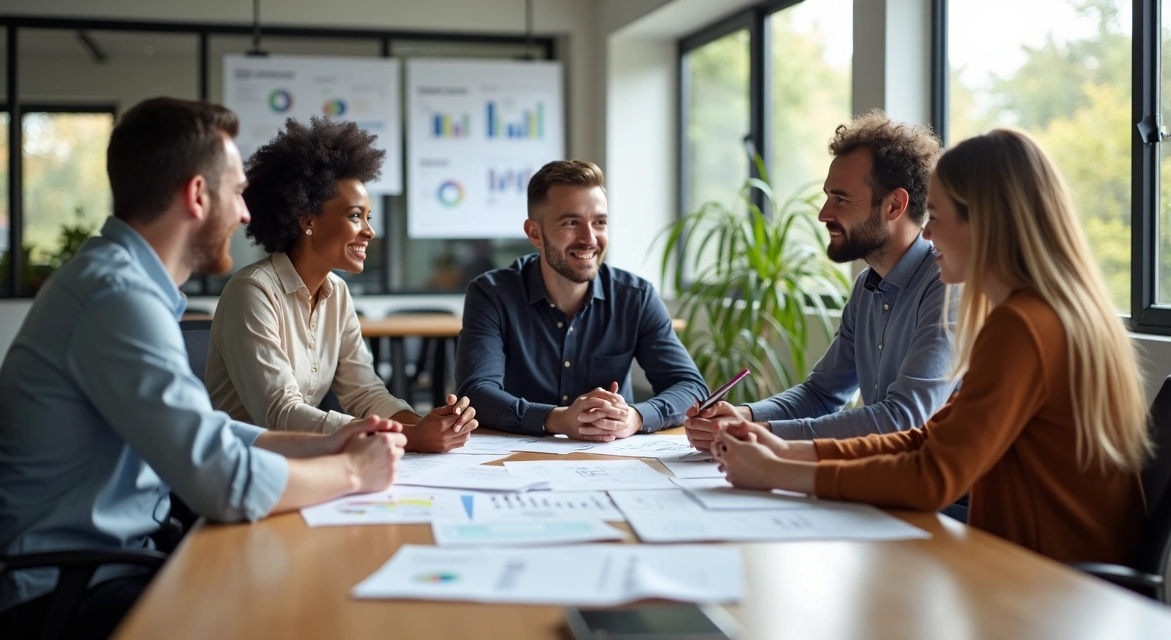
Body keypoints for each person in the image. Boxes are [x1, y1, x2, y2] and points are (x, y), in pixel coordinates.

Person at [0, 98, 407, 639]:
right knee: (303, 613)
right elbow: (221, 481)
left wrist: (328, 443)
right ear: (198, 196)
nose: (247, 214)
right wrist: (353, 472)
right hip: (65, 592)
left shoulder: (123, 286)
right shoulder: (116, 299)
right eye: (236, 193)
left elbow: (209, 433)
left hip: (112, 561)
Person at [710, 128, 1150, 565]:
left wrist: (778, 469)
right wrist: (784, 451)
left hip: (1055, 585)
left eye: (936, 217)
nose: (929, 234)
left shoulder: (1023, 325)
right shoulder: (1040, 313)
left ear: (984, 221)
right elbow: (927, 440)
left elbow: (932, 474)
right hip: (1036, 567)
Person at [685, 111, 957, 450]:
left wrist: (764, 434)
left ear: (894, 205)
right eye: (828, 196)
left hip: (945, 501)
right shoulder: (866, 286)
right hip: (882, 482)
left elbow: (903, 419)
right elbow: (822, 393)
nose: (823, 214)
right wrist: (745, 416)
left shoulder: (948, 285)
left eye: (841, 199)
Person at [205, 117, 477, 453]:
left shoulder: (338, 293)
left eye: (368, 217)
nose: (369, 231)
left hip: (306, 458)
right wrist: (404, 436)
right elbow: (279, 413)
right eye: (354, 216)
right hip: (244, 467)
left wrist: (421, 424)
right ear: (307, 220)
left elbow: (364, 392)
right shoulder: (252, 291)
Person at [455, 160, 707, 440]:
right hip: (517, 460)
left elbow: (690, 387)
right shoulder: (492, 295)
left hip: (612, 461)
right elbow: (475, 393)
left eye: (599, 222)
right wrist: (557, 419)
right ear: (535, 234)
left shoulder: (635, 297)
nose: (589, 239)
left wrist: (635, 417)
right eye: (571, 223)